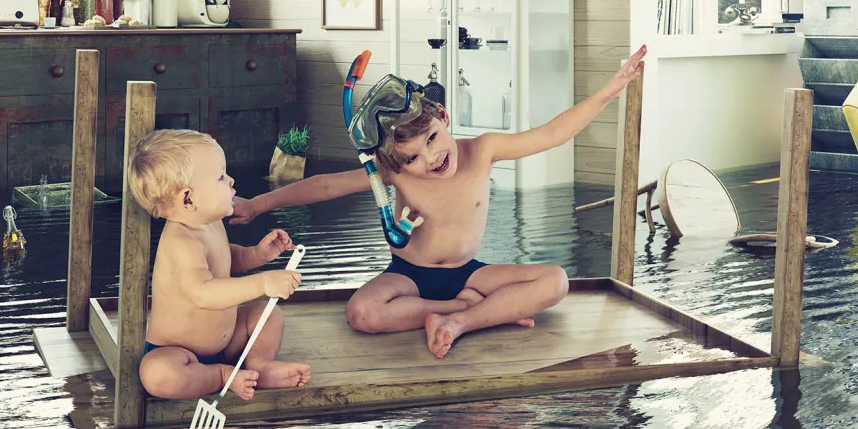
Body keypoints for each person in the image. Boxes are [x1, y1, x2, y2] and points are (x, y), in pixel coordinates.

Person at [230, 47, 647, 359]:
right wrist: (259, 204)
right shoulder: (389, 173)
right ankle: (468, 310)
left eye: (431, 139)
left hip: (470, 274)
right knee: (362, 313)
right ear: (396, 163)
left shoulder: (484, 150)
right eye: (412, 158)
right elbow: (323, 187)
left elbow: (553, 133)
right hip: (408, 276)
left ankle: (460, 320)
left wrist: (611, 90)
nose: (430, 158)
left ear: (443, 117)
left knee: (554, 281)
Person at [127, 129, 311, 401]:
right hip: (179, 352)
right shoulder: (181, 241)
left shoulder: (209, 223)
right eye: (221, 177)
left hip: (226, 341)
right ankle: (223, 375)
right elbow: (204, 292)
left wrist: (257, 255)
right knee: (158, 374)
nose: (231, 180)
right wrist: (262, 283)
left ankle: (258, 365)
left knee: (267, 313)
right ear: (188, 199)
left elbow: (225, 260)